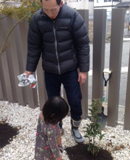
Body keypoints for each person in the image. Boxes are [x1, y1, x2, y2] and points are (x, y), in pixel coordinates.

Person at [24, 0, 89, 143]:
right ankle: (57, 127)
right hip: (50, 70)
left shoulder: (72, 16)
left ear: (61, 3)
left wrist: (83, 70)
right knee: (53, 102)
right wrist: (30, 69)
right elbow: (34, 47)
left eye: (53, 10)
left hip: (70, 69)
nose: (49, 14)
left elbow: (83, 45)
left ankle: (75, 127)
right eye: (45, 10)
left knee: (75, 100)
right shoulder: (37, 19)